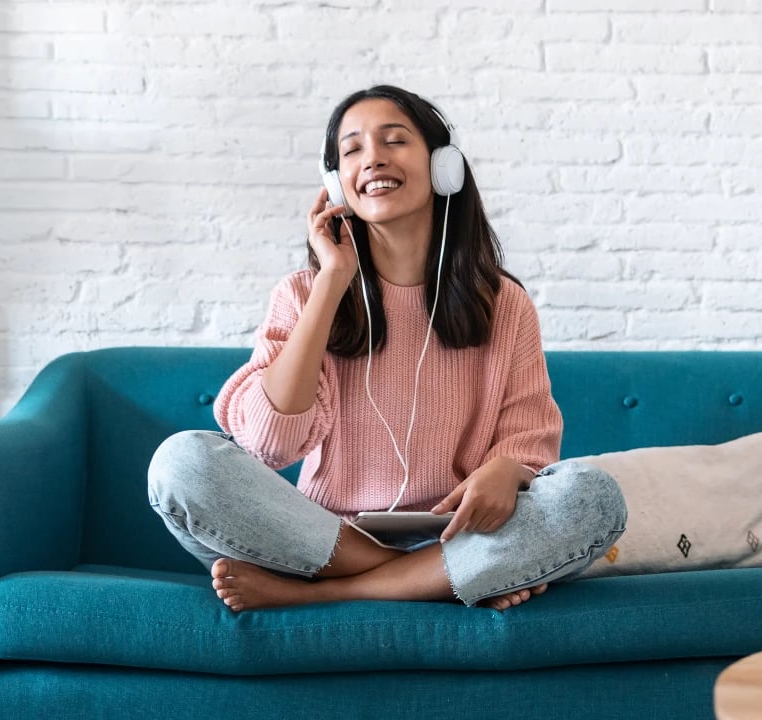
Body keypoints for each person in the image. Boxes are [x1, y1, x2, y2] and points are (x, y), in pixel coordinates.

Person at [147, 85, 625, 612]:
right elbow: (269, 444)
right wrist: (331, 281)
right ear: (336, 185)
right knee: (181, 463)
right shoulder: (304, 294)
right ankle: (434, 583)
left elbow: (529, 442)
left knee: (591, 497)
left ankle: (328, 596)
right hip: (323, 541)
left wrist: (508, 469)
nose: (372, 157)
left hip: (457, 537)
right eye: (352, 150)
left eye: (394, 141)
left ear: (444, 167)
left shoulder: (504, 304)